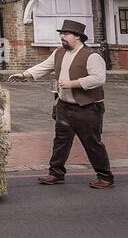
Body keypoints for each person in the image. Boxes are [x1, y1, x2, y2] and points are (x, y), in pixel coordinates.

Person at [9, 19, 114, 189]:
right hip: (64, 106)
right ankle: (56, 173)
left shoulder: (92, 56)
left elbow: (99, 78)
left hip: (88, 108)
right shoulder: (59, 53)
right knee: (60, 141)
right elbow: (44, 67)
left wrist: (72, 83)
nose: (62, 37)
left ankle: (105, 177)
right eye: (61, 34)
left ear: (78, 37)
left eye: (66, 34)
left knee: (92, 143)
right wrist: (24, 74)